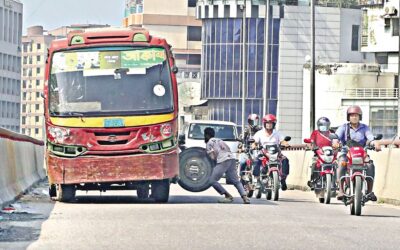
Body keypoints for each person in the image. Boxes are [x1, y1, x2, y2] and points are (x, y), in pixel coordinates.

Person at [333, 105, 381, 201]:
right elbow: (336, 136)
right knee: (341, 163)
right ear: (348, 117)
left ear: (360, 117)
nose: (354, 117)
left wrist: (375, 143)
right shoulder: (344, 127)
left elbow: (370, 137)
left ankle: (369, 191)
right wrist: (335, 142)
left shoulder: (365, 127)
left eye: (356, 115)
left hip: (361, 154)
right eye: (352, 115)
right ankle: (341, 190)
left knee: (370, 165)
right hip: (346, 153)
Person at [204, 127, 250, 204]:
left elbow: (212, 157)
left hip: (223, 161)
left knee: (211, 180)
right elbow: (227, 149)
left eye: (205, 135)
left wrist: (212, 164)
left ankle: (228, 196)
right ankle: (245, 197)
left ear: (207, 135)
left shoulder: (209, 143)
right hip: (232, 159)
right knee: (236, 181)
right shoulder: (220, 140)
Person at [252, 114, 290, 191]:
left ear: (274, 124)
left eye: (271, 123)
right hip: (263, 153)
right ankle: (257, 180)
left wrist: (286, 144)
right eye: (267, 123)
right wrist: (254, 145)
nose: (269, 125)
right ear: (264, 124)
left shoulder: (277, 133)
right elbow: (254, 142)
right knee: (256, 161)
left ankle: (283, 179)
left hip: (276, 153)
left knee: (285, 160)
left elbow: (283, 141)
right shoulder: (259, 133)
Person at [306, 117, 334, 189]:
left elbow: (337, 141)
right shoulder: (315, 132)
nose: (324, 127)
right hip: (318, 153)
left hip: (330, 154)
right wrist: (312, 146)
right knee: (314, 163)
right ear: (318, 125)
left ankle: (336, 181)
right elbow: (311, 141)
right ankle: (313, 180)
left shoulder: (332, 132)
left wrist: (338, 145)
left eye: (326, 125)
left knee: (336, 165)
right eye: (322, 125)